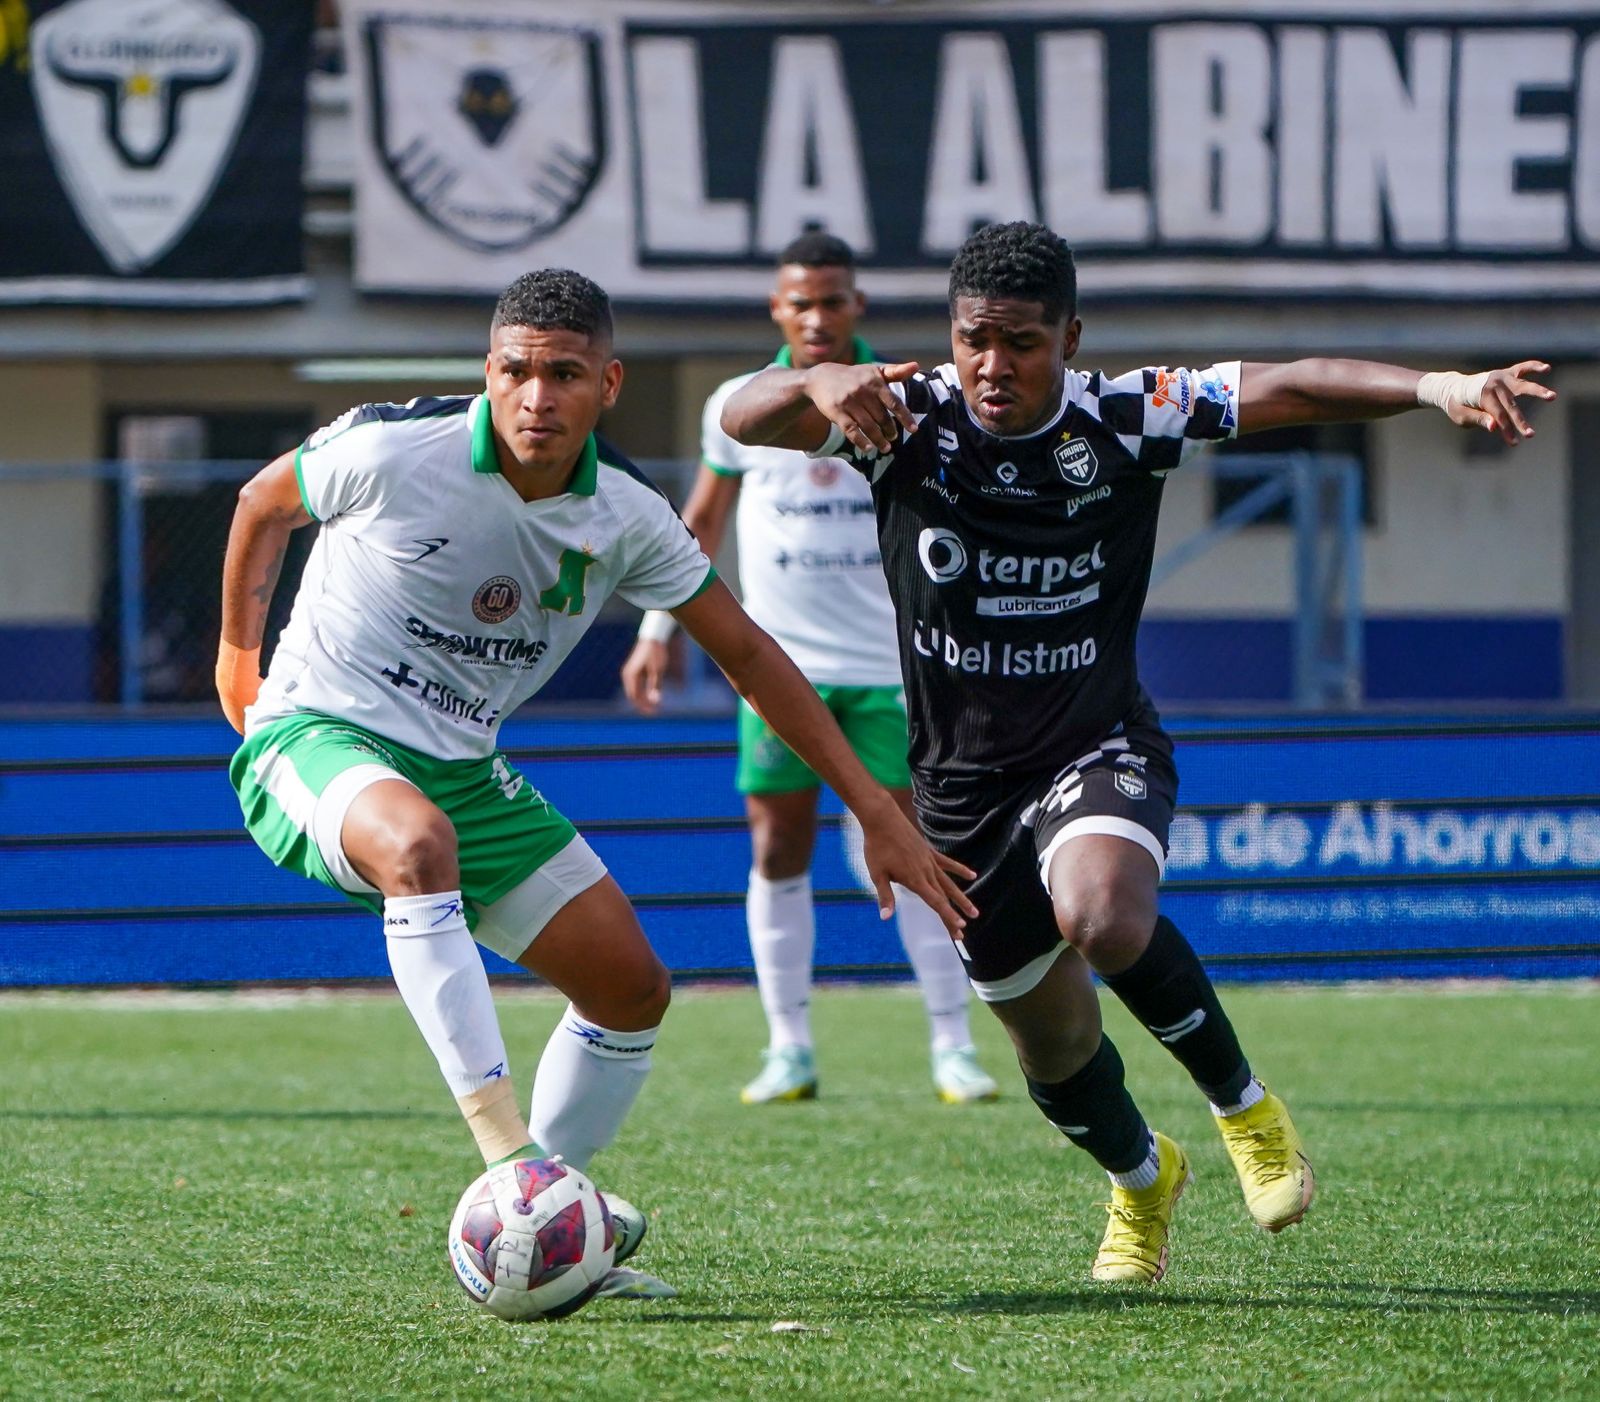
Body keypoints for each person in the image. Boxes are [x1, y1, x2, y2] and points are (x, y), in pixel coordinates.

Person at [720, 221, 1554, 1284]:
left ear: (1069, 337)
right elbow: (740, 416)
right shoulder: (901, 416)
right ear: (947, 334)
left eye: (1022, 341)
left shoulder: (1127, 414)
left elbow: (1293, 387)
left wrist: (1437, 387)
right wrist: (825, 379)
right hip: (961, 786)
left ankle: (1244, 1109)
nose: (993, 364)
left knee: (1102, 915)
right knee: (1053, 1049)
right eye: (974, 337)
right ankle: (1139, 1178)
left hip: (1095, 740)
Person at [215, 268, 975, 1297]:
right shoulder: (395, 448)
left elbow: (748, 654)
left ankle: (552, 1224)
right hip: (315, 735)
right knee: (415, 846)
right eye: (515, 372)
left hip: (464, 772)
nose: (536, 398)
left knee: (629, 988)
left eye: (563, 375)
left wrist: (875, 808)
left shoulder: (626, 516)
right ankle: (513, 1164)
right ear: (487, 372)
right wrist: (235, 652)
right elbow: (264, 500)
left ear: (607, 383)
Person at [622, 232, 997, 1107]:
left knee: (918, 851)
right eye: (802, 302)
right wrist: (654, 629)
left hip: (889, 672)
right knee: (776, 846)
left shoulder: (906, 393)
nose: (818, 317)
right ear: (777, 310)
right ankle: (787, 1047)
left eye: (834, 301)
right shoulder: (743, 404)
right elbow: (698, 524)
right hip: (778, 672)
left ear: (857, 306)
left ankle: (953, 1044)